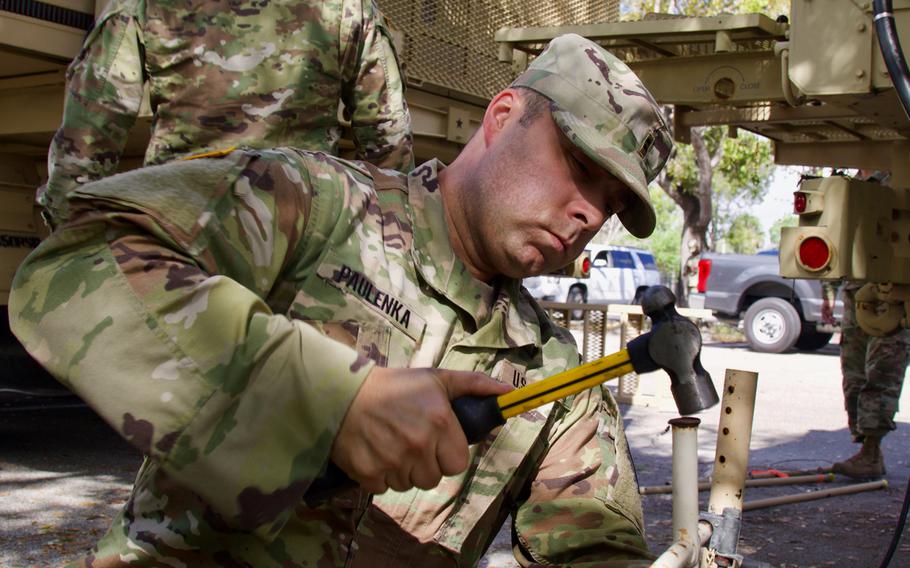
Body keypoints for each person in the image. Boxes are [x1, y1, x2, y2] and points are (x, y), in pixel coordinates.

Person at [10, 34, 673, 566]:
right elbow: (79, 265)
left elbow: (594, 546)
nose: (589, 211)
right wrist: (330, 398)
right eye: (582, 166)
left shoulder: (561, 379)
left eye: (612, 204)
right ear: (503, 118)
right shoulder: (319, 205)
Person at [38, 0, 413, 227]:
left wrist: (70, 237)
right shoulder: (349, 8)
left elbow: (83, 151)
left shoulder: (143, 6)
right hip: (301, 240)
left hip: (181, 237)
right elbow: (389, 143)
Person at [824, 278, 910, 479]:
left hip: (896, 292)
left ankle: (871, 452)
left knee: (882, 371)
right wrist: (828, 292)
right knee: (854, 374)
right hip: (857, 291)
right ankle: (869, 452)